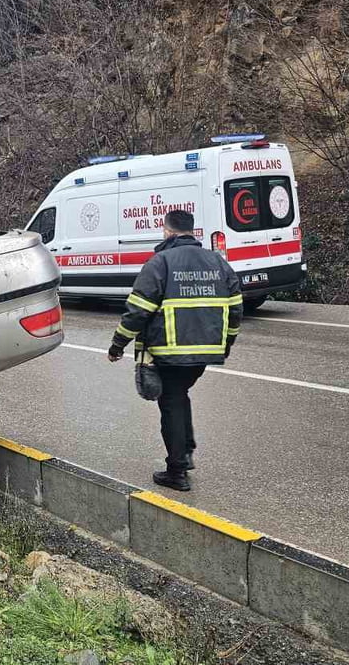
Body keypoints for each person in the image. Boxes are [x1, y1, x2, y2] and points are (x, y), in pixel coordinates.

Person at [106, 210, 242, 491]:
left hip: (169, 351)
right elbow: (236, 308)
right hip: (205, 351)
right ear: (192, 231)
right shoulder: (218, 262)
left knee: (171, 402)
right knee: (179, 395)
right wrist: (226, 344)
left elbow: (137, 311)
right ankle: (186, 451)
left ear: (167, 231)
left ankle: (177, 470)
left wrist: (118, 345)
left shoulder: (161, 262)